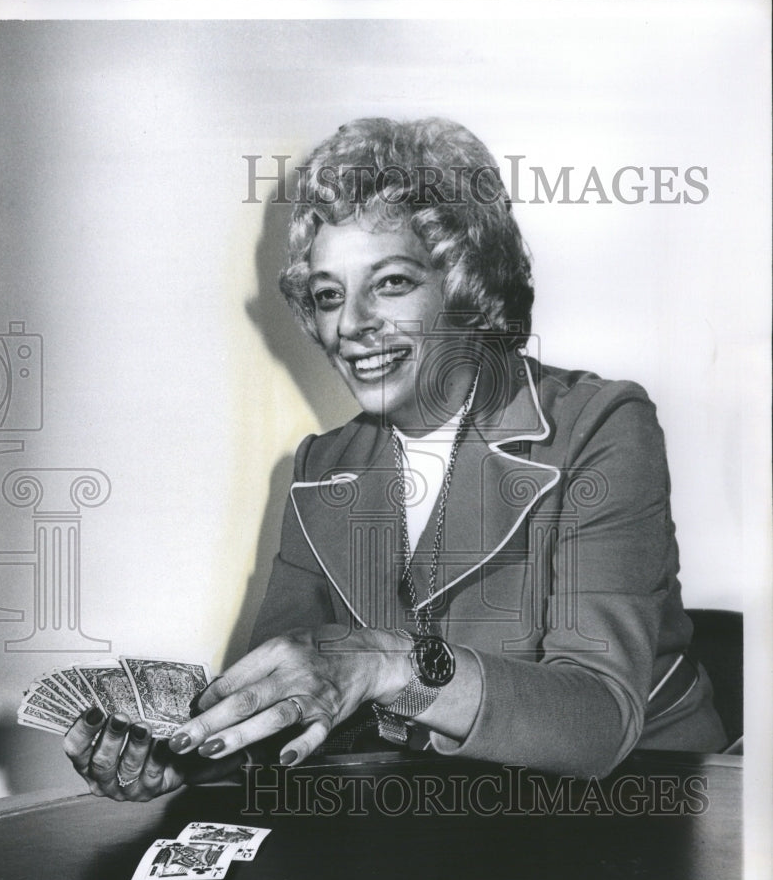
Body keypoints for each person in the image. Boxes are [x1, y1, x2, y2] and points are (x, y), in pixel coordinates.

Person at [64, 117, 726, 801]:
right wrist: (189, 755)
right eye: (328, 295)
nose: (350, 324)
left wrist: (392, 665)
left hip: (643, 807)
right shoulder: (324, 466)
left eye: (390, 283)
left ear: (465, 285)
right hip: (442, 821)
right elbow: (288, 702)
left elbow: (598, 719)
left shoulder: (601, 424)